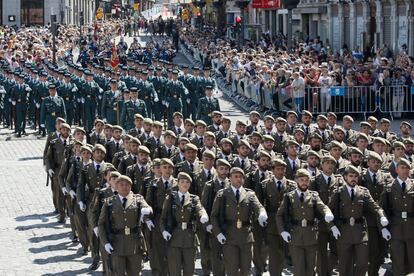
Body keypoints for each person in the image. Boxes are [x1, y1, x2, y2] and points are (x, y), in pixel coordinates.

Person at [329, 165, 389, 276]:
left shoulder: (363, 192)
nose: (353, 179)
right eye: (351, 176)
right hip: (343, 232)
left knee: (362, 263)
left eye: (356, 176)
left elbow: (375, 207)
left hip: (360, 232)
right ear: (345, 177)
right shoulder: (338, 192)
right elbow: (328, 210)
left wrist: (382, 215)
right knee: (344, 265)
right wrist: (332, 227)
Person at [211, 167, 268, 276]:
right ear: (230, 178)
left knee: (246, 269)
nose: (238, 179)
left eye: (241, 177)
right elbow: (214, 216)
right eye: (236, 176)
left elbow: (259, 207)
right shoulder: (222, 194)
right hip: (229, 236)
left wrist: (262, 213)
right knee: (232, 269)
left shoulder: (249, 194)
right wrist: (218, 233)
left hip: (246, 237)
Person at [277, 169, 334, 276]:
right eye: (301, 180)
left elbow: (322, 206)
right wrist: (282, 231)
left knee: (311, 269)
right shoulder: (289, 196)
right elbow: (279, 215)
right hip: (295, 237)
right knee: (299, 269)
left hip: (311, 237)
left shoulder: (314, 196)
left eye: (306, 180)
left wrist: (327, 212)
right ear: (296, 180)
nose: (304, 182)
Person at [98, 175, 152, 276]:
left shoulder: (138, 199)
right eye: (121, 184)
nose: (124, 187)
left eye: (127, 184)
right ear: (116, 187)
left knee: (135, 272)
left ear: (130, 186)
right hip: (116, 243)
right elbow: (101, 224)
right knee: (118, 273)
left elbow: (146, 207)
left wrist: (147, 210)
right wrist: (105, 242)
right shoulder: (109, 202)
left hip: (134, 243)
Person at [160, 172, 209, 276]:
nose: (185, 184)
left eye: (187, 182)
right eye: (182, 182)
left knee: (189, 268)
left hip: (189, 237)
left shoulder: (194, 198)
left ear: (190, 185)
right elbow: (163, 218)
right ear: (178, 183)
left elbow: (200, 208)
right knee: (174, 269)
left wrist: (203, 215)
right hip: (173, 236)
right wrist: (164, 231)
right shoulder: (171, 198)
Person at [381, 158, 414, 276]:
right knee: (398, 261)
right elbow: (383, 209)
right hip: (395, 229)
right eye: (402, 168)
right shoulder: (389, 187)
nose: (405, 170)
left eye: (407, 168)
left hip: (412, 228)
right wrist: (383, 227)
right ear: (396, 170)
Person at [45, 122, 71, 223]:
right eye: (63, 129)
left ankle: (69, 211)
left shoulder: (72, 143)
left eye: (67, 130)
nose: (65, 132)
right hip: (58, 170)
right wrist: (49, 168)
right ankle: (61, 213)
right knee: (60, 193)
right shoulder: (54, 142)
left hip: (69, 171)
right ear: (60, 131)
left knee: (68, 192)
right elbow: (48, 156)